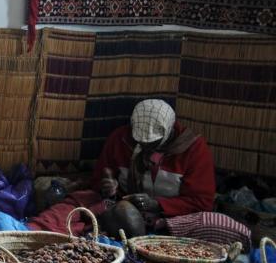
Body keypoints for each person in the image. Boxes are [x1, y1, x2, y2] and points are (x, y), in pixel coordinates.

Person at [30, 99, 247, 245]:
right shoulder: (120, 138)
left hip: (172, 218)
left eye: (152, 143)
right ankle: (30, 233)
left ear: (168, 133)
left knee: (217, 224)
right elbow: (100, 178)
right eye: (139, 142)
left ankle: (145, 241)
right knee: (72, 207)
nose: (145, 147)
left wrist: (158, 205)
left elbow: (202, 202)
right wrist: (108, 186)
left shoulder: (194, 150)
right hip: (118, 207)